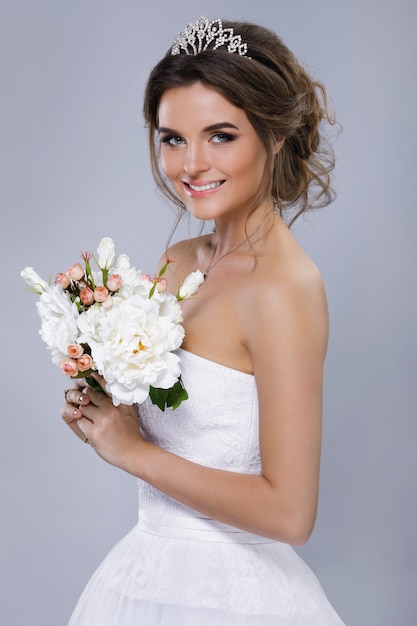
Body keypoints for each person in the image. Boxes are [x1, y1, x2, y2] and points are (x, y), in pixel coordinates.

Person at [62, 16, 345, 625]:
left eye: (220, 135)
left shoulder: (283, 290)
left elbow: (291, 514)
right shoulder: (178, 262)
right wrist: (105, 404)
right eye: (172, 139)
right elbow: (175, 429)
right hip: (145, 568)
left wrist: (131, 452)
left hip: (232, 593)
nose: (191, 164)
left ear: (272, 136)